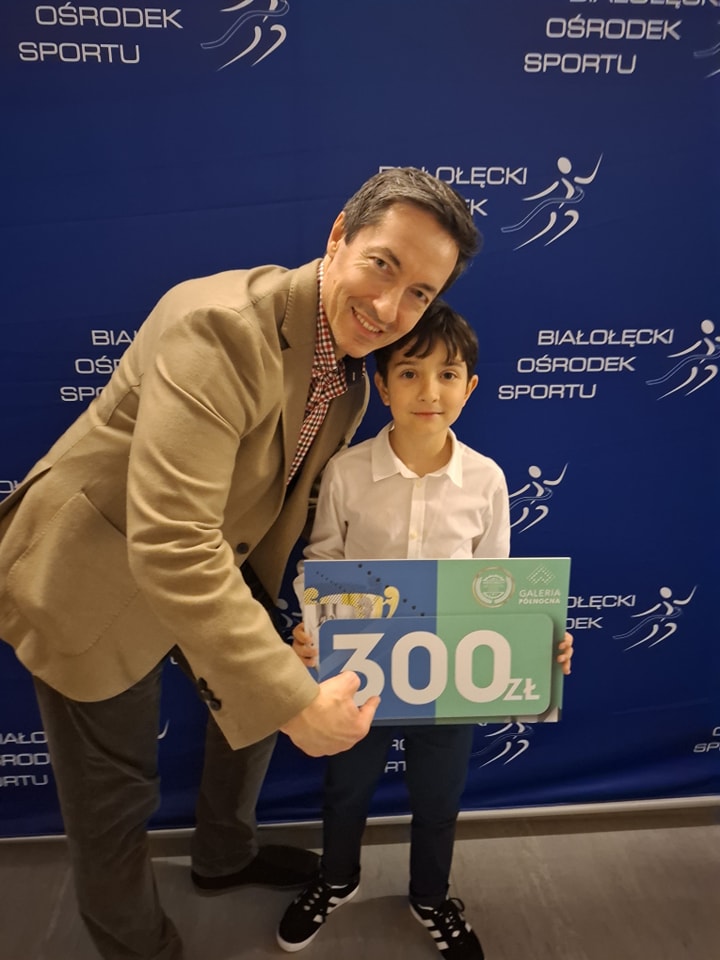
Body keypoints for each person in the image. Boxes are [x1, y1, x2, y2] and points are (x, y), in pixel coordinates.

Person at [0, 168, 480, 960]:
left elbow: (270, 511)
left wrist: (298, 640)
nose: (391, 308)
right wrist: (294, 701)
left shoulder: (351, 381)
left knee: (252, 710)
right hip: (92, 571)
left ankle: (223, 857)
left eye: (420, 294)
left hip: (213, 560)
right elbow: (171, 539)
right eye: (383, 265)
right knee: (117, 797)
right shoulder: (219, 327)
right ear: (339, 236)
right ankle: (141, 950)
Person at [278, 302, 574, 959]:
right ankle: (336, 879)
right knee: (345, 790)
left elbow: (498, 586)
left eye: (447, 375)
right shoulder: (347, 471)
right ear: (382, 387)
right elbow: (322, 563)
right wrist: (313, 626)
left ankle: (431, 896)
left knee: (439, 799)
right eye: (409, 373)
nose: (429, 391)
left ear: (470, 387)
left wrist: (537, 640)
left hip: (450, 681)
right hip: (359, 676)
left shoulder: (487, 480)